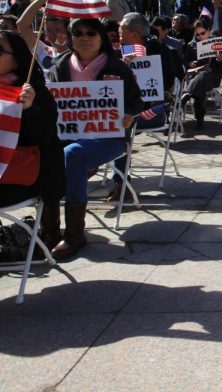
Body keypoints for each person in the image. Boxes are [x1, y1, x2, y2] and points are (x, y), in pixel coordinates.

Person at [48, 18, 143, 259]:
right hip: (68, 135)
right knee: (44, 152)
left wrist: (128, 114)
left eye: (91, 33)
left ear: (101, 37)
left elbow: (136, 102)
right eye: (77, 33)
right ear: (70, 38)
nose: (85, 38)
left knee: (73, 155)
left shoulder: (117, 66)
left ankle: (74, 234)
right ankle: (48, 230)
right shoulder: (60, 65)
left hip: (109, 137)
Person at [0, 31, 65, 250]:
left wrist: (29, 109)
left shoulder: (33, 91)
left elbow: (46, 136)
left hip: (22, 176)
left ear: (17, 59)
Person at [180, 20, 222, 133]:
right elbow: (184, 63)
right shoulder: (191, 45)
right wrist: (190, 63)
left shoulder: (218, 44)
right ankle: (200, 120)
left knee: (204, 75)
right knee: (199, 86)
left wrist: (220, 59)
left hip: (213, 77)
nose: (200, 36)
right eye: (197, 34)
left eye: (203, 33)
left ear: (209, 31)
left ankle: (186, 95)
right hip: (194, 76)